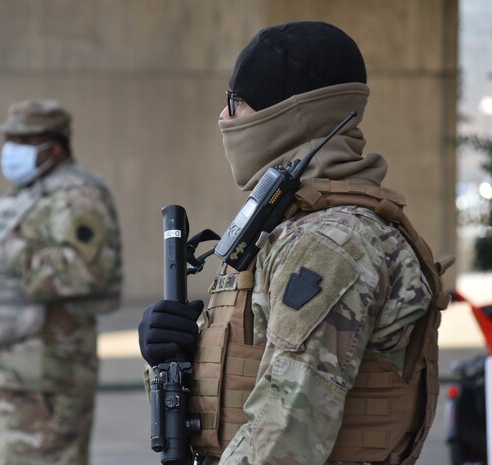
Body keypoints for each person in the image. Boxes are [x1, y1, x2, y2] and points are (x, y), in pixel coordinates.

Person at [138, 21, 451, 465]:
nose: (224, 118)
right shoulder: (291, 228)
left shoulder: (330, 245)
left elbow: (285, 435)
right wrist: (174, 355)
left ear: (284, 115)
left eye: (235, 102)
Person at [0, 99, 122, 465]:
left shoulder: (77, 196)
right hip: (15, 373)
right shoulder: (34, 193)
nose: (11, 151)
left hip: (45, 378)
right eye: (10, 140)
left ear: (54, 147)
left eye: (23, 142)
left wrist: (15, 249)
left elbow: (88, 272)